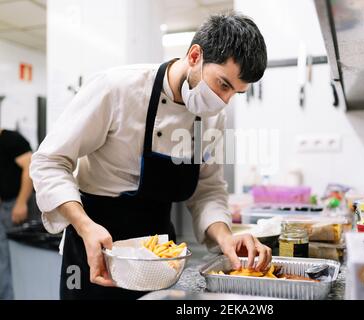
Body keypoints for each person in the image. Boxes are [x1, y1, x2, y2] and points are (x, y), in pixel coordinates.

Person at [30, 12, 270, 300]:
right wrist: (84, 226)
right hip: (94, 244)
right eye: (223, 84)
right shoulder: (117, 89)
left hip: (159, 258)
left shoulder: (213, 118)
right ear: (195, 56)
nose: (224, 101)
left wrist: (225, 237)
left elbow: (208, 190)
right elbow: (50, 161)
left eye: (236, 93)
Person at [0, 128, 33, 300]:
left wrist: (21, 203)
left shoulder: (11, 139)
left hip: (14, 205)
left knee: (9, 258)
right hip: (4, 206)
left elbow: (30, 168)